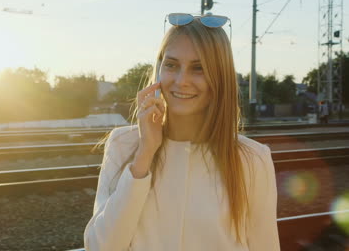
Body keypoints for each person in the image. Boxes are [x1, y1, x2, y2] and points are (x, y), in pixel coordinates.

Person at [84, 14, 280, 251]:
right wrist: (145, 154)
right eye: (171, 65)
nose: (181, 80)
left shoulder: (253, 158)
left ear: (221, 77)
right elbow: (101, 247)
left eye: (198, 68)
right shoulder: (123, 144)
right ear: (158, 70)